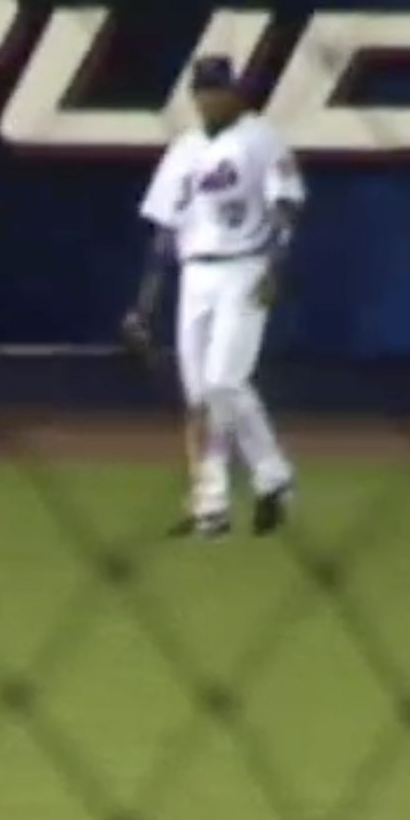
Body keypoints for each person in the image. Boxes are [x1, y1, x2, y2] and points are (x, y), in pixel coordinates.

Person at [123, 54, 309, 538]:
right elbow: (164, 232)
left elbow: (286, 206)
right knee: (202, 395)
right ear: (194, 94)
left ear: (234, 91)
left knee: (226, 381)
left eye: (218, 88)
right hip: (194, 275)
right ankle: (228, 497)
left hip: (245, 268)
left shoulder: (261, 139)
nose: (210, 96)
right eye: (203, 89)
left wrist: (275, 266)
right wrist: (144, 306)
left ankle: (250, 485)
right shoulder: (183, 149)